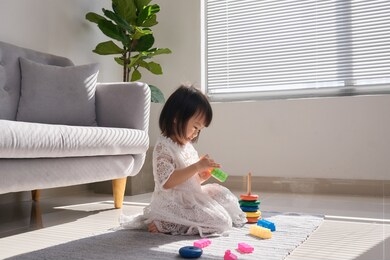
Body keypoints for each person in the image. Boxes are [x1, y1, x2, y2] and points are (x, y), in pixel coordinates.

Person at [120, 84, 247, 237]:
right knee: (222, 222)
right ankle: (168, 222)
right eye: (195, 127)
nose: (195, 134)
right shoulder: (164, 147)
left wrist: (200, 176)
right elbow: (167, 182)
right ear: (176, 117)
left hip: (189, 197)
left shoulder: (187, 146)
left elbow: (187, 181)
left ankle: (190, 218)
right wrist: (196, 167)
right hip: (172, 203)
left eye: (199, 130)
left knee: (221, 194)